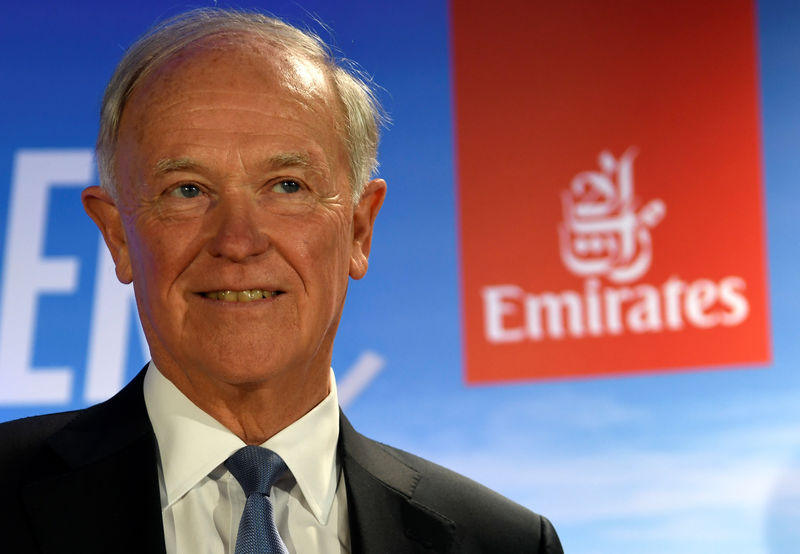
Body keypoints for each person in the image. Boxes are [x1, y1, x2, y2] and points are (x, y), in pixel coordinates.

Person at [0, 8, 563, 553]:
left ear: (359, 229)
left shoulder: (502, 542)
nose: (239, 241)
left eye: (288, 186)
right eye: (188, 190)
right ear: (117, 236)